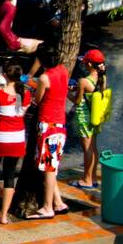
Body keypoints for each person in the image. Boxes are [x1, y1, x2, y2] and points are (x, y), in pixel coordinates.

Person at [0, 61, 29, 225]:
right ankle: (3, 215)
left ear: (5, 76)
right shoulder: (25, 93)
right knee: (9, 176)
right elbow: (21, 114)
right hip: (17, 139)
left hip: (0, 138)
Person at [26, 44, 71, 220]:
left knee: (49, 168)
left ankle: (47, 207)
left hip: (47, 124)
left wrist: (31, 88)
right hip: (60, 123)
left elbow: (37, 100)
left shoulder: (44, 78)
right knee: (50, 165)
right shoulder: (63, 71)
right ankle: (58, 202)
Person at [70, 49, 107, 189]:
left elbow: (77, 101)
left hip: (85, 117)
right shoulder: (102, 78)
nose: (84, 65)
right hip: (96, 116)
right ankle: (93, 178)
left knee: (87, 149)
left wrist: (67, 92)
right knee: (93, 147)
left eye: (85, 63)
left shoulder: (84, 81)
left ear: (90, 64)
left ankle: (86, 179)